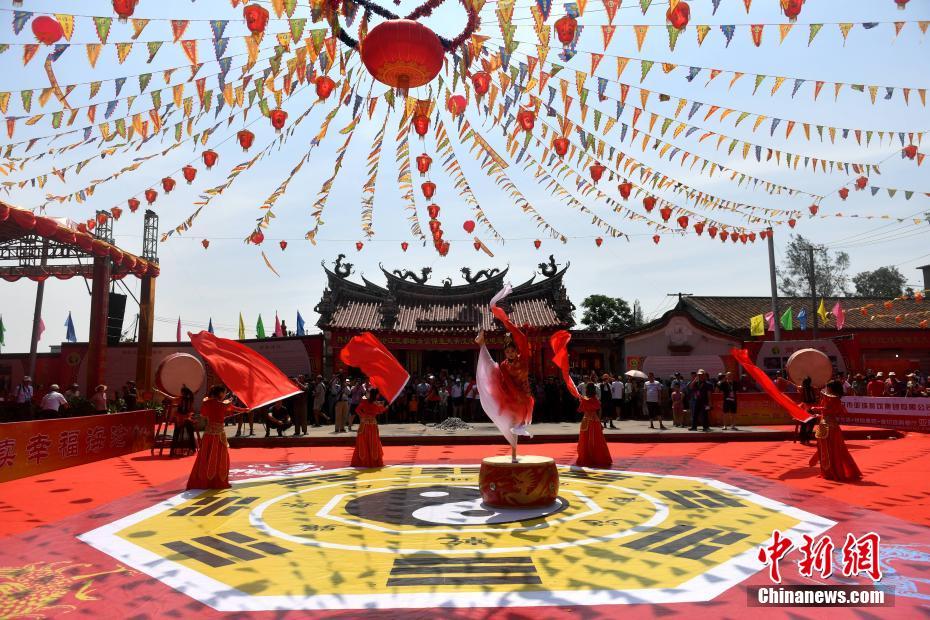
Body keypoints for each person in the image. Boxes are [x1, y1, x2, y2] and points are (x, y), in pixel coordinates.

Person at [475, 288, 534, 462]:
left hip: (524, 395)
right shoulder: (503, 365)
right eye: (507, 351)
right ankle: (514, 453)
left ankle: (517, 440)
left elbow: (522, 341)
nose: (509, 353)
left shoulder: (523, 359)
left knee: (518, 423)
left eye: (511, 350)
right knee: (512, 425)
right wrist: (483, 346)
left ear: (516, 351)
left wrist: (508, 324)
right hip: (510, 397)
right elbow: (494, 373)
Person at [187, 385, 249, 490]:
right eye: (224, 392)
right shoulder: (223, 404)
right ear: (220, 393)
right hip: (218, 435)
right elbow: (234, 409)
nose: (225, 395)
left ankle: (204, 481)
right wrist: (245, 410)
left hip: (208, 435)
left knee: (205, 457)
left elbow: (203, 414)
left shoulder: (206, 402)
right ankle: (215, 482)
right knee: (219, 458)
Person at [808, 380, 862, 482]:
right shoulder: (833, 399)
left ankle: (833, 472)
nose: (826, 389)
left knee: (830, 450)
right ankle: (830, 471)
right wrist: (818, 414)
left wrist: (816, 409)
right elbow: (829, 412)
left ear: (832, 388)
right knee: (827, 449)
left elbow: (828, 410)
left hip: (828, 427)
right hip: (827, 425)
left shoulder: (833, 399)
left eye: (828, 387)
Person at [575, 382, 613, 468]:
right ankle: (598, 458)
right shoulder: (596, 399)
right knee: (598, 440)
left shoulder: (584, 399)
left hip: (586, 420)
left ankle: (586, 457)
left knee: (584, 440)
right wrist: (599, 419)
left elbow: (580, 410)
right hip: (595, 420)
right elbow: (599, 410)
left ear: (587, 389)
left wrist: (581, 400)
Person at [350, 388, 387, 468]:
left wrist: (364, 416)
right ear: (375, 395)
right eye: (378, 394)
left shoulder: (368, 401)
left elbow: (358, 410)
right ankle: (371, 461)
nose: (379, 395)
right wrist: (385, 407)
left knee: (365, 442)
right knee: (372, 442)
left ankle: (364, 461)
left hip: (365, 424)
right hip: (371, 425)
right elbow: (380, 411)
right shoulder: (376, 403)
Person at [170, 385, 197, 457]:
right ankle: (192, 449)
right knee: (190, 433)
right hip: (188, 418)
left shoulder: (180, 399)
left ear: (183, 393)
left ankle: (174, 450)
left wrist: (160, 392)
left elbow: (171, 398)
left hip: (180, 418)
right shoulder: (191, 399)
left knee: (176, 433)